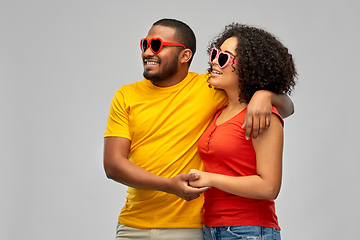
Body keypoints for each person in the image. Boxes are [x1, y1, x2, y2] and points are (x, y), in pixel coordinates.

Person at [103, 19, 294, 240]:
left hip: (195, 228)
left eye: (156, 45)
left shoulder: (211, 89)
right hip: (137, 224)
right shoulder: (126, 96)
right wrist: (169, 185)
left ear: (185, 56)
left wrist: (265, 95)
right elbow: (112, 165)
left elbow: (285, 106)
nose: (148, 52)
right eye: (144, 44)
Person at [188, 23, 297, 240]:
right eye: (215, 54)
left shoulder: (262, 116)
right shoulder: (218, 110)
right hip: (211, 228)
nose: (213, 62)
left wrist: (209, 178)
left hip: (248, 230)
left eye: (223, 58)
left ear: (249, 67)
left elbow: (269, 187)